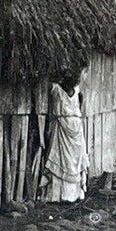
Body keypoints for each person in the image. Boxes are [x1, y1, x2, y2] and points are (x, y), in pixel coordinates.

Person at [44, 72, 88, 203]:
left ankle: (62, 195)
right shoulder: (76, 91)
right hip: (75, 126)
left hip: (65, 126)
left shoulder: (56, 89)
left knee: (62, 157)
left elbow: (48, 82)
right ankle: (69, 195)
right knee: (71, 158)